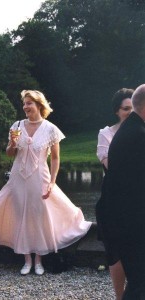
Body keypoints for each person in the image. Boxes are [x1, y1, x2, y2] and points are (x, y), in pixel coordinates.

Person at [0, 90, 92, 275]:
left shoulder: (51, 129)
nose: (25, 106)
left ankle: (39, 259)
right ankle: (27, 260)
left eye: (29, 103)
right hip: (18, 177)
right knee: (20, 214)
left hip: (40, 176)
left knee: (38, 215)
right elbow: (9, 153)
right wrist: (13, 143)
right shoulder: (16, 125)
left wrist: (52, 182)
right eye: (24, 103)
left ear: (39, 105)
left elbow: (55, 159)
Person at [98, 84, 145, 300]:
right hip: (132, 221)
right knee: (139, 284)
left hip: (125, 217)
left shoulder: (131, 130)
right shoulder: (137, 134)